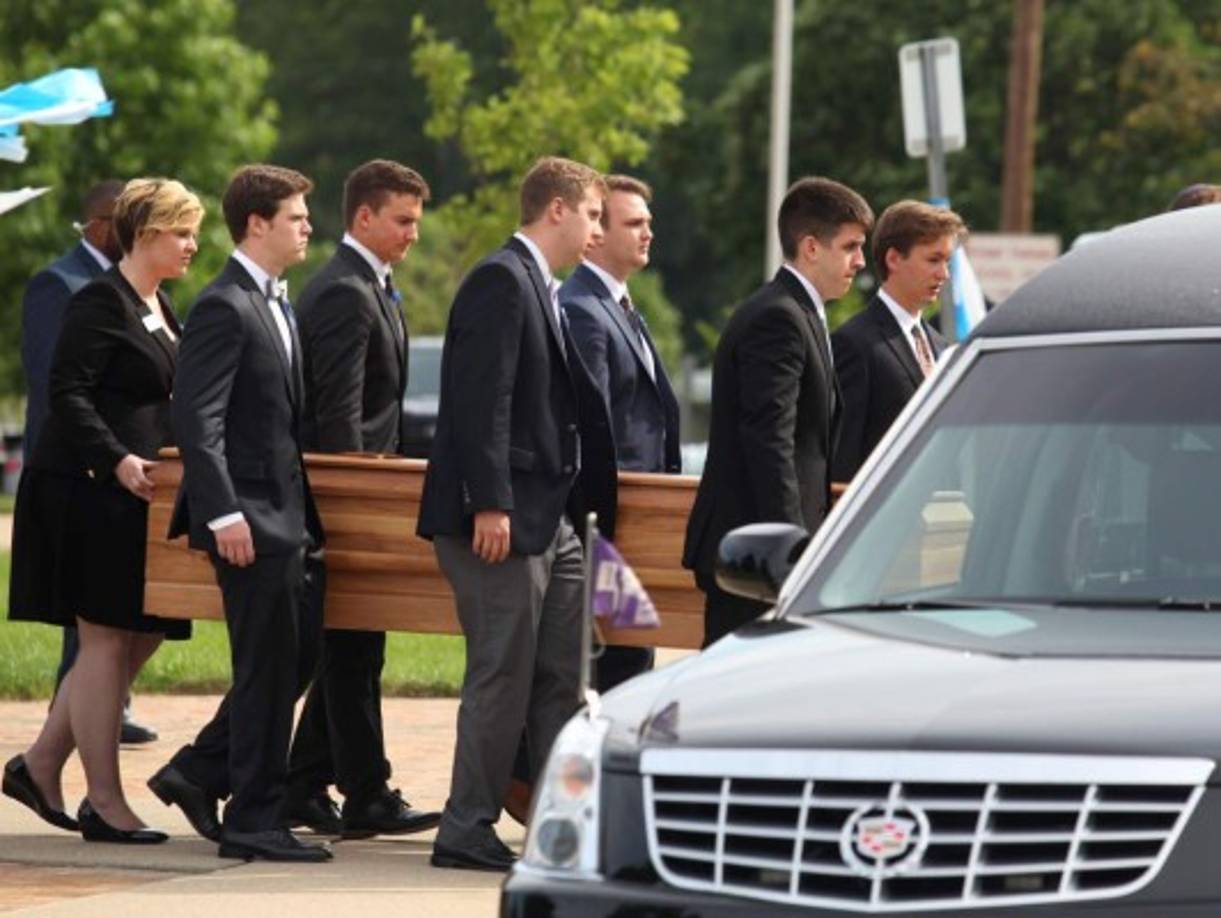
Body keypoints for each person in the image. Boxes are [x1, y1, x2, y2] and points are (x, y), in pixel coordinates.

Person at [417, 156, 610, 872]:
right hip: (499, 520)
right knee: (500, 673)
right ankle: (464, 827)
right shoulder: (502, 279)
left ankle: (561, 823)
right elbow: (479, 402)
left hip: (550, 521)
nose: (597, 228)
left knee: (560, 677)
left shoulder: (543, 286)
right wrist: (489, 501)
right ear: (556, 210)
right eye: (592, 213)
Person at [3, 178, 203, 843]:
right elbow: (67, 394)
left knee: (141, 634)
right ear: (145, 234)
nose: (193, 245)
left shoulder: (158, 303)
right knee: (106, 641)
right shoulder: (98, 300)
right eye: (182, 232)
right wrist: (115, 458)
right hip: (86, 492)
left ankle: (39, 763)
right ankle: (105, 801)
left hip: (139, 500)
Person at [146, 164, 330, 863]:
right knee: (266, 671)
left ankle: (198, 771)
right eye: (296, 217)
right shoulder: (225, 304)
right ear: (257, 223)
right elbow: (198, 419)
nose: (308, 227)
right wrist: (223, 514)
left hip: (290, 518)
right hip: (249, 520)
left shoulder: (278, 303)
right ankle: (254, 817)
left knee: (295, 659)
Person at [285, 159, 440, 838]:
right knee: (351, 650)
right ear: (364, 217)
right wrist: (356, 501)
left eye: (416, 220)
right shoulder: (346, 291)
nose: (412, 234)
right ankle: (365, 790)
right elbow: (339, 417)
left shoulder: (370, 285)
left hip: (363, 496)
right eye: (402, 221)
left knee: (350, 649)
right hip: (346, 502)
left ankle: (303, 784)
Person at [682, 176, 872, 647]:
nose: (860, 261)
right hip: (754, 559)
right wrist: (788, 552)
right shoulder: (779, 318)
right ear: (811, 247)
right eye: (850, 247)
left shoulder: (801, 313)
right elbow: (770, 441)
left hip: (764, 553)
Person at [20, 179, 159, 746]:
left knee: (120, 613)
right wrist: (106, 450)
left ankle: (99, 708)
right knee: (92, 615)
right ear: (104, 224)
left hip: (123, 469)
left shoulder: (141, 288)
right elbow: (57, 381)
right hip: (80, 468)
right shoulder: (63, 283)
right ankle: (74, 710)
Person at [559, 173, 680, 691]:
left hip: (640, 518)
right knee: (611, 672)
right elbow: (592, 428)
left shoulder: (621, 307)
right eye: (634, 223)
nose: (647, 232)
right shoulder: (583, 309)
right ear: (597, 234)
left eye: (648, 222)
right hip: (610, 521)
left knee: (631, 664)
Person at [831, 200, 965, 482]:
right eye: (933, 259)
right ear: (893, 259)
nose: (944, 274)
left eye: (947, 262)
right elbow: (843, 456)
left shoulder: (941, 347)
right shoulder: (854, 344)